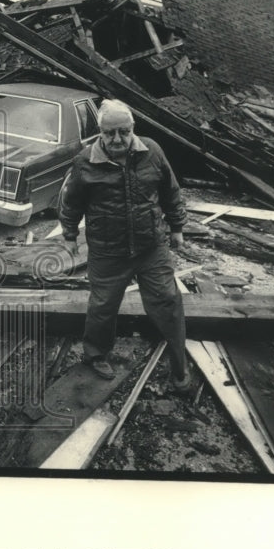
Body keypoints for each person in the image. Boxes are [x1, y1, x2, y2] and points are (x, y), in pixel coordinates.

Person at [57, 98, 193, 391]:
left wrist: (178, 228)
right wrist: (69, 236)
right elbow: (71, 203)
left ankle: (179, 363)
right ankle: (95, 355)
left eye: (123, 131)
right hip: (108, 250)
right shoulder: (84, 161)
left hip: (151, 246)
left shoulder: (152, 151)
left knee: (168, 301)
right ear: (100, 133)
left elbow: (171, 191)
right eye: (109, 133)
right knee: (102, 307)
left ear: (133, 128)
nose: (117, 139)